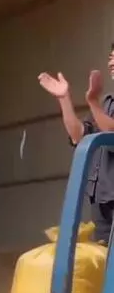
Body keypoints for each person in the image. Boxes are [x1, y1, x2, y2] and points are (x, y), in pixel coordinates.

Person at [38, 42, 114, 245]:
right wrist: (64, 99)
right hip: (102, 198)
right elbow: (79, 135)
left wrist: (92, 101)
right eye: (110, 57)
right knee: (105, 266)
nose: (111, 62)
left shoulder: (99, 104)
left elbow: (112, 133)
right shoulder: (106, 103)